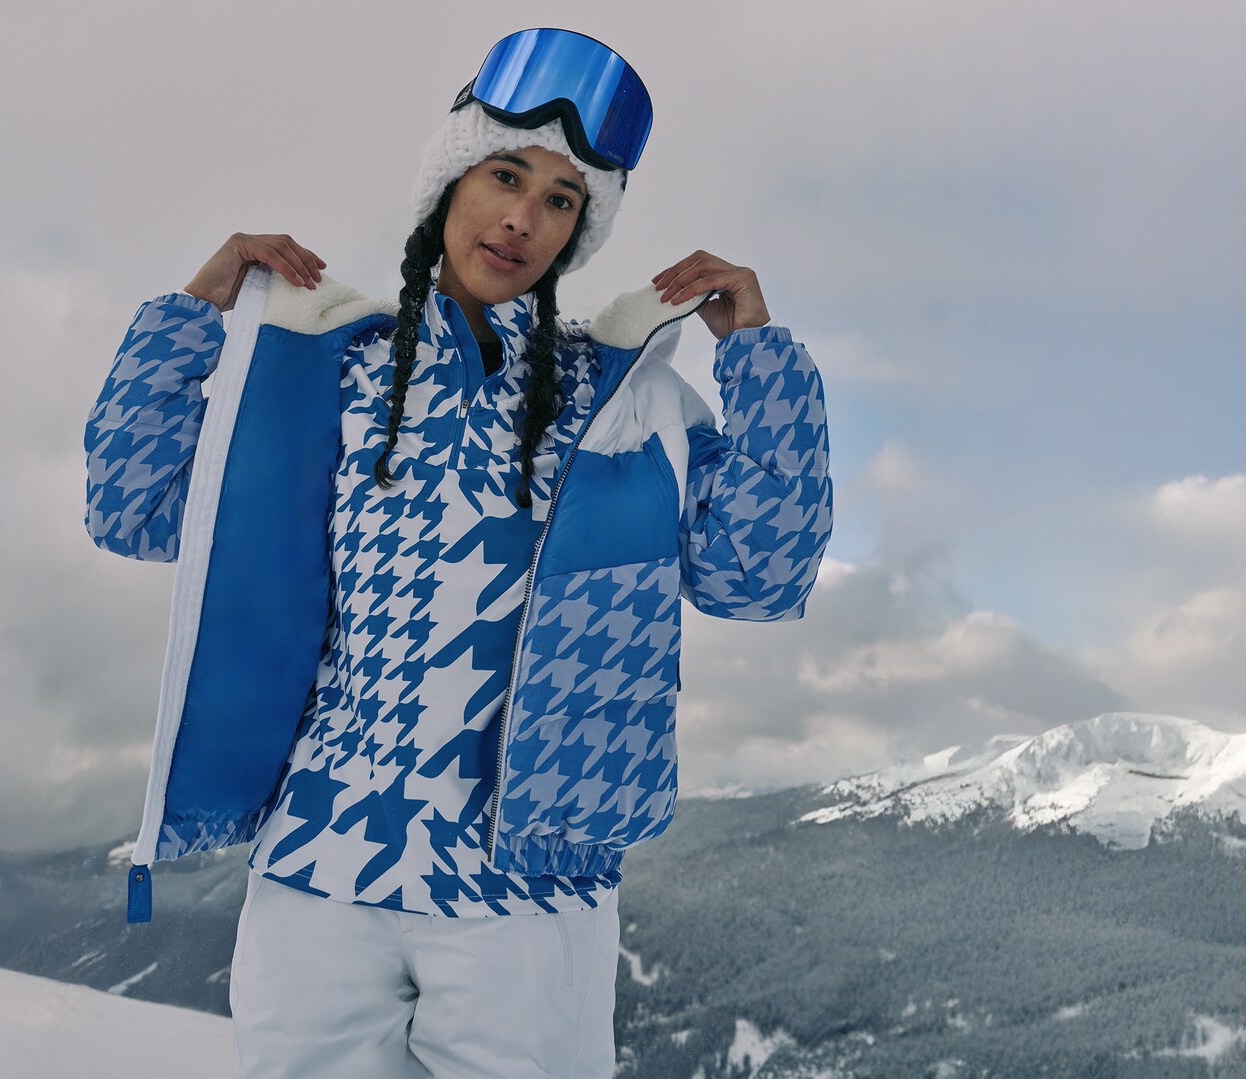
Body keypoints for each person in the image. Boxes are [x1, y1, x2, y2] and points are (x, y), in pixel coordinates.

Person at [85, 28, 832, 1077]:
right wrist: (195, 315)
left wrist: (758, 358)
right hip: (318, 876)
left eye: (562, 200)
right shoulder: (331, 374)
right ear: (452, 179)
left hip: (523, 898)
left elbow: (759, 575)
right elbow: (132, 507)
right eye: (505, 175)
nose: (524, 216)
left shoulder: (625, 401)